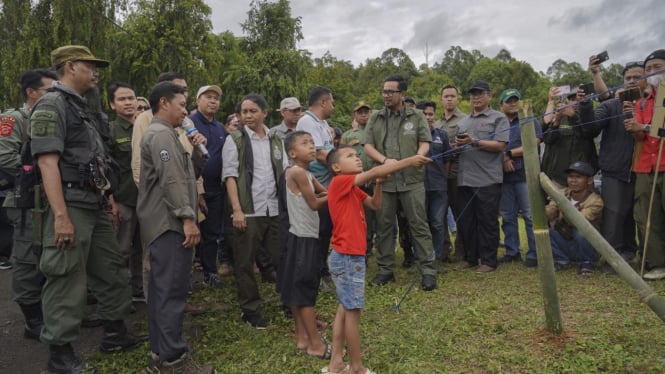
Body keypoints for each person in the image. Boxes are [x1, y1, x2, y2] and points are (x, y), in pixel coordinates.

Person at [30, 45, 144, 372]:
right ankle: (60, 355)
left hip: (93, 202)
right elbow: (47, 163)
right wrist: (61, 217)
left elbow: (95, 162)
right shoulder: (52, 105)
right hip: (70, 205)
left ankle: (115, 333)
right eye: (89, 66)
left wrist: (107, 197)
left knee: (110, 269)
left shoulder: (80, 107)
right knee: (65, 278)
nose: (95, 73)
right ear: (70, 66)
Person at [323, 146, 430, 374]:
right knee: (353, 314)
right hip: (348, 258)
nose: (357, 158)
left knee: (344, 308)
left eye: (356, 154)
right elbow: (372, 172)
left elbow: (374, 205)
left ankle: (336, 364)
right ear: (336, 167)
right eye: (350, 156)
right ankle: (357, 368)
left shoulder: (353, 188)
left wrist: (380, 184)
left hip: (348, 257)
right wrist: (409, 160)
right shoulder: (340, 182)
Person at [137, 81, 213, 373]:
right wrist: (188, 218)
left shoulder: (171, 134)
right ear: (164, 103)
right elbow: (171, 182)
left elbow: (184, 174)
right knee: (171, 292)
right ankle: (174, 361)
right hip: (169, 226)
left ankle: (160, 354)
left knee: (162, 292)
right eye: (182, 105)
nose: (186, 111)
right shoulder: (160, 135)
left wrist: (195, 151)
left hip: (167, 224)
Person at [363, 75, 437, 290]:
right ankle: (385, 270)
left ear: (402, 94)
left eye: (390, 92)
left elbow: (424, 143)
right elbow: (368, 146)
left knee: (419, 225)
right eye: (384, 91)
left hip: (412, 181)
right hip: (384, 182)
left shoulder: (417, 116)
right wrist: (385, 161)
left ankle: (428, 271)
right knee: (384, 227)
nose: (386, 95)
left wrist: (419, 156)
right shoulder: (375, 118)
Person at [0, 68, 56, 338]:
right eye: (49, 90)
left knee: (51, 255)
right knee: (25, 259)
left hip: (50, 198)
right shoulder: (15, 119)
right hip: (24, 200)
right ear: (31, 93)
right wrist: (38, 172)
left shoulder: (54, 117)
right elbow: (4, 157)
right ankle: (33, 321)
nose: (54, 95)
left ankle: (52, 310)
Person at [222, 93, 284, 328]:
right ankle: (250, 310)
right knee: (245, 263)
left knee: (280, 257)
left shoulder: (275, 139)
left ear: (264, 113)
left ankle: (289, 302)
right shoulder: (235, 140)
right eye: (244, 112)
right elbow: (229, 176)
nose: (247, 116)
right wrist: (237, 210)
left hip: (274, 208)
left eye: (252, 111)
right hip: (249, 211)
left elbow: (284, 171)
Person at [579, 59, 645, 270]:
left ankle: (644, 258)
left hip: (646, 170)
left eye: (637, 77)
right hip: (615, 171)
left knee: (643, 217)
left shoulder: (652, 105)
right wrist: (586, 104)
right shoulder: (610, 105)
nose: (632, 81)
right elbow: (590, 129)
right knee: (614, 216)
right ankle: (613, 259)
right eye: (628, 78)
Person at [280, 131, 329, 358]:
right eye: (304, 143)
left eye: (312, 142)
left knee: (295, 286)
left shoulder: (305, 173)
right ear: (292, 153)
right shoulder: (298, 172)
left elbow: (323, 192)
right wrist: (340, 189)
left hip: (298, 236)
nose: (311, 146)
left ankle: (301, 336)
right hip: (304, 238)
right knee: (305, 290)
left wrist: (333, 190)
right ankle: (315, 345)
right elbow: (315, 203)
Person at [455, 80, 510, 273]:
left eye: (480, 94)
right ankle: (471, 258)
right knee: (467, 222)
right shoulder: (462, 122)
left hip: (487, 179)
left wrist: (475, 142)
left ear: (489, 96)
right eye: (472, 94)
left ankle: (488, 261)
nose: (475, 97)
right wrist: (456, 145)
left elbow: (501, 145)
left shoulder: (498, 118)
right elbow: (460, 146)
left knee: (487, 221)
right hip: (464, 179)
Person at [625, 49, 665, 280]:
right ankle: (657, 263)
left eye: (657, 66)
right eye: (648, 69)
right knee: (646, 216)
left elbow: (657, 130)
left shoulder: (663, 97)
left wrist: (645, 128)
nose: (652, 72)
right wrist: (634, 129)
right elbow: (641, 137)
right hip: (645, 166)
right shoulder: (640, 103)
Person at [106, 82, 144, 302]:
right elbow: (105, 169)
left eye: (132, 98)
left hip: (147, 199)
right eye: (122, 99)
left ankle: (138, 289)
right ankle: (117, 296)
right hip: (123, 199)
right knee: (121, 250)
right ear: (113, 104)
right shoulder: (111, 130)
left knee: (143, 248)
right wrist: (111, 202)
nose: (129, 103)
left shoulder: (146, 125)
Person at [296, 86, 336, 286]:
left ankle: (322, 269)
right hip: (313, 184)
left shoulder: (322, 123)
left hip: (326, 185)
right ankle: (315, 273)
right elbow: (320, 154)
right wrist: (341, 164)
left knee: (326, 230)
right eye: (332, 102)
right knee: (317, 231)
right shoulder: (307, 121)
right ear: (323, 102)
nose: (333, 106)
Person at [497, 89, 542, 267]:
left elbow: (534, 142)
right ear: (501, 105)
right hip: (503, 176)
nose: (513, 103)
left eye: (516, 100)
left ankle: (534, 253)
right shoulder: (497, 121)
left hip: (526, 175)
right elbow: (492, 146)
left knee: (530, 216)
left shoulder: (528, 119)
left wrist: (508, 153)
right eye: (509, 101)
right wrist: (503, 159)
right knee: (507, 217)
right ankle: (512, 251)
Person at [189, 84, 226, 288]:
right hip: (193, 188)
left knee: (212, 232)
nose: (213, 101)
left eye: (216, 98)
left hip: (216, 188)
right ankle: (186, 277)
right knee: (190, 232)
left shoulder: (220, 128)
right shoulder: (189, 123)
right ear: (198, 100)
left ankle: (210, 271)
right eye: (208, 97)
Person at [546, 161, 603, 275]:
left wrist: (560, 203)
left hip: (587, 246)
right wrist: (548, 206)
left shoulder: (596, 201)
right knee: (546, 232)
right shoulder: (562, 193)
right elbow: (549, 214)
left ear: (590, 180)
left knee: (581, 232)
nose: (573, 180)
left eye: (578, 177)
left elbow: (578, 222)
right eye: (571, 176)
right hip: (567, 242)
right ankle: (561, 260)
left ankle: (587, 262)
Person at [434, 85, 467, 262]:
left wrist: (451, 148)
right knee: (440, 215)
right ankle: (444, 249)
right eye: (446, 96)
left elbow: (465, 145)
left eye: (452, 96)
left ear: (457, 99)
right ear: (441, 99)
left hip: (457, 173)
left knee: (459, 212)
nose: (449, 99)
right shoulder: (436, 123)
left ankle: (461, 250)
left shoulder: (465, 120)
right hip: (438, 175)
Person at [415, 100, 451, 263]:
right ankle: (422, 258)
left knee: (437, 223)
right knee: (420, 225)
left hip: (438, 187)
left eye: (430, 114)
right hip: (417, 187)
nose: (428, 117)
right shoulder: (411, 136)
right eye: (424, 114)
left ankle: (436, 258)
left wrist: (443, 180)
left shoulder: (442, 135)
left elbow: (447, 161)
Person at [541, 87, 598, 186]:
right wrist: (557, 122)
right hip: (558, 178)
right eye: (572, 99)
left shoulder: (589, 117)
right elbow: (548, 140)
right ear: (567, 101)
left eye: (578, 99)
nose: (575, 102)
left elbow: (588, 133)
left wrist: (573, 117)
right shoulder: (559, 117)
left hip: (582, 178)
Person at [341, 101, 375, 256]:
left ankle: (374, 247)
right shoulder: (348, 136)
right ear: (354, 115)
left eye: (366, 112)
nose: (363, 115)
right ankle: (362, 249)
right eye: (360, 112)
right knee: (358, 218)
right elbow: (341, 159)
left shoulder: (377, 131)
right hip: (355, 183)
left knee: (377, 217)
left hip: (375, 180)